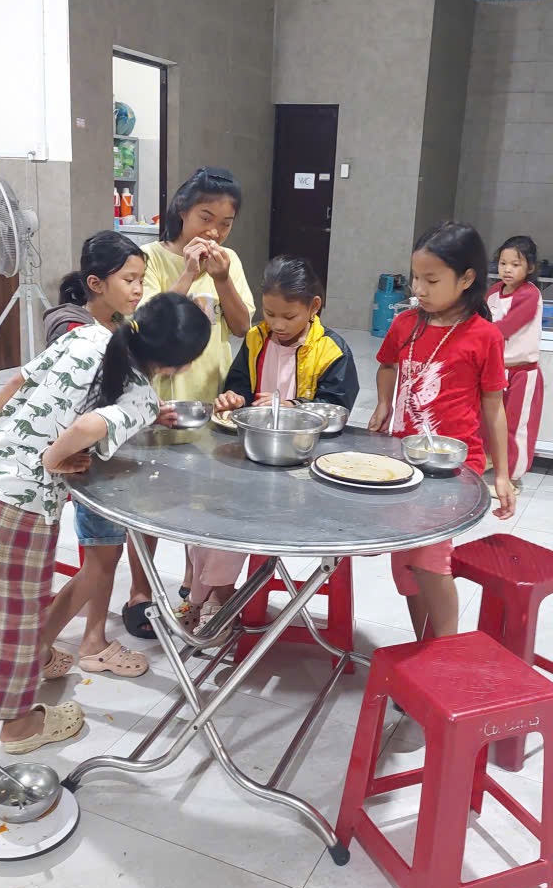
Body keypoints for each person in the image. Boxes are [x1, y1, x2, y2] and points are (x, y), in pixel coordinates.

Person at [0, 292, 210, 754]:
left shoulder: (85, 335)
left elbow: (19, 382)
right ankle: (18, 729)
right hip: (23, 504)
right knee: (16, 618)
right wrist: (53, 457)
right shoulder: (140, 396)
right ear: (180, 365)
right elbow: (87, 428)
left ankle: (12, 679)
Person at [187, 255, 360, 640]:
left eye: (289, 316)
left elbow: (337, 410)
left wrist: (294, 407)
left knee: (233, 518)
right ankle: (203, 593)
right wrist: (233, 399)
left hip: (302, 472)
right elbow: (238, 388)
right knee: (205, 509)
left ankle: (220, 598)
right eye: (269, 314)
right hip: (255, 458)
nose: (278, 325)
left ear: (314, 307)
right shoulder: (256, 339)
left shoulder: (331, 350)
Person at [123, 166, 255, 639]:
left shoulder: (229, 261)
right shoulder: (150, 258)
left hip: (209, 395)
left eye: (225, 223)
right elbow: (144, 327)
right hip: (159, 398)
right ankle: (140, 591)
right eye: (205, 217)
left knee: (202, 494)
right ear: (182, 210)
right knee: (149, 498)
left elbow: (241, 326)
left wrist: (221, 280)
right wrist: (188, 274)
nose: (214, 232)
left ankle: (192, 585)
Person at [368, 221, 516, 642]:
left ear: (466, 279)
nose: (419, 289)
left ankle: (446, 650)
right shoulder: (406, 324)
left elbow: (494, 407)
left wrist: (502, 474)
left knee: (430, 560)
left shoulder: (484, 336)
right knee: (406, 563)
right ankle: (426, 646)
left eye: (431, 280)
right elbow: (387, 366)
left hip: (453, 467)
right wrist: (384, 402)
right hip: (403, 458)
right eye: (416, 278)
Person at [42, 232, 177, 679]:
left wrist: (148, 411)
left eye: (141, 279)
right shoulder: (74, 329)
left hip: (102, 457)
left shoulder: (115, 325)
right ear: (96, 283)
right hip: (85, 462)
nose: (139, 289)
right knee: (100, 561)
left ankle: (89, 640)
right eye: (130, 280)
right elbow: (87, 407)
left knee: (103, 557)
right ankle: (47, 647)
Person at [487, 235, 544, 490]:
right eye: (503, 263)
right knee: (489, 421)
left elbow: (505, 327)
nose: (507, 269)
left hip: (522, 372)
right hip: (495, 371)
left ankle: (512, 476)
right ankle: (490, 461)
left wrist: (475, 334)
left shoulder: (530, 295)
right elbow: (480, 319)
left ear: (529, 267)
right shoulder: (493, 292)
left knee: (515, 425)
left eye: (515, 264)